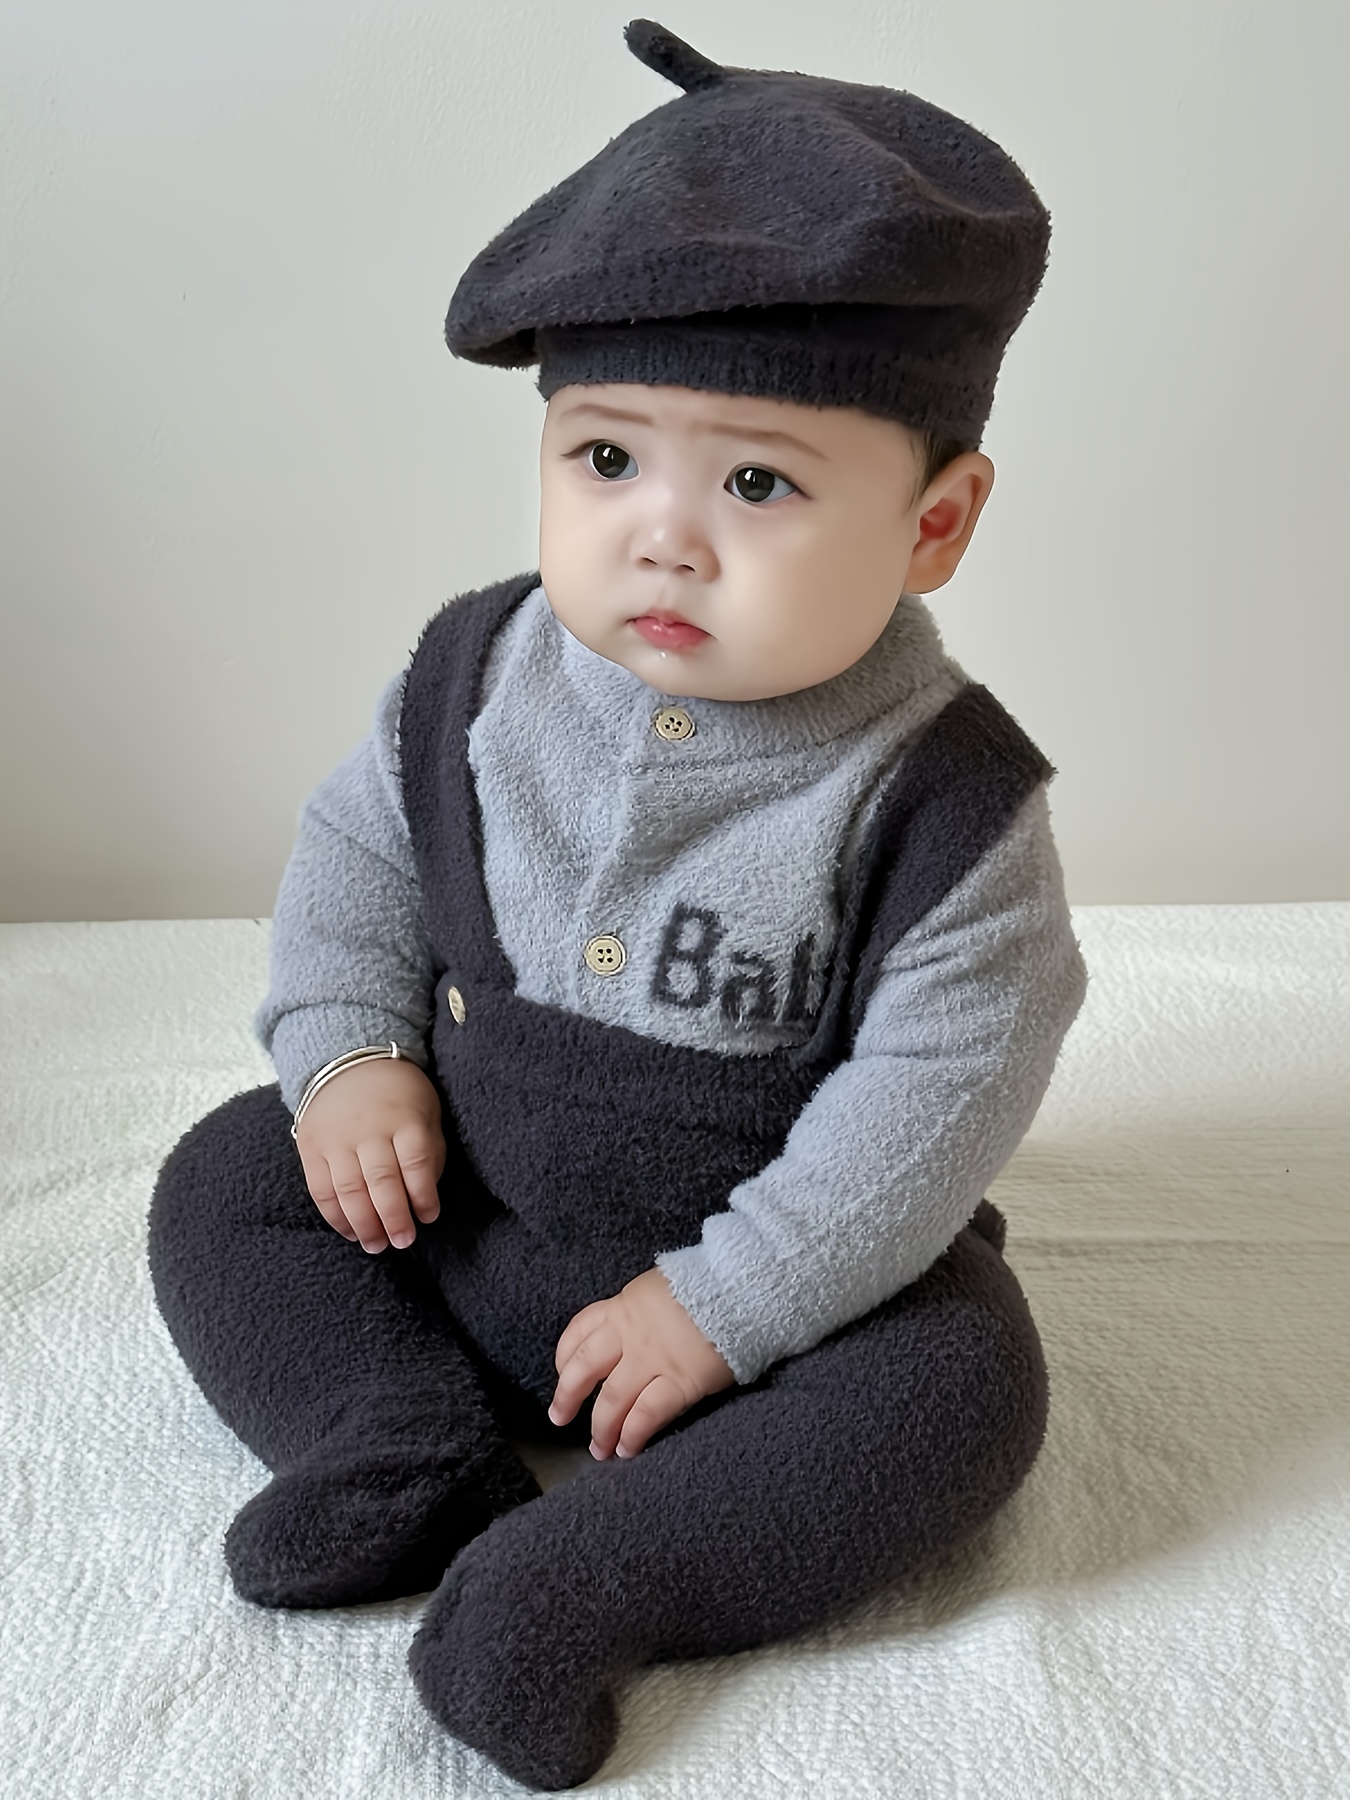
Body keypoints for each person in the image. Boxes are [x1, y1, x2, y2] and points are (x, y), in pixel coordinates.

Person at [149, 20, 1087, 1791]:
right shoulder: (473, 675)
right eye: (603, 461)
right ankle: (396, 1443)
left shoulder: (940, 799)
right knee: (229, 1175)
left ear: (934, 524)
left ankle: (590, 1574)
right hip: (470, 1207)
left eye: (756, 481)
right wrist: (350, 1059)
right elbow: (358, 856)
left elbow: (938, 1095)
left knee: (965, 1394)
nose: (663, 534)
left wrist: (729, 1304)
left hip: (776, 1290)